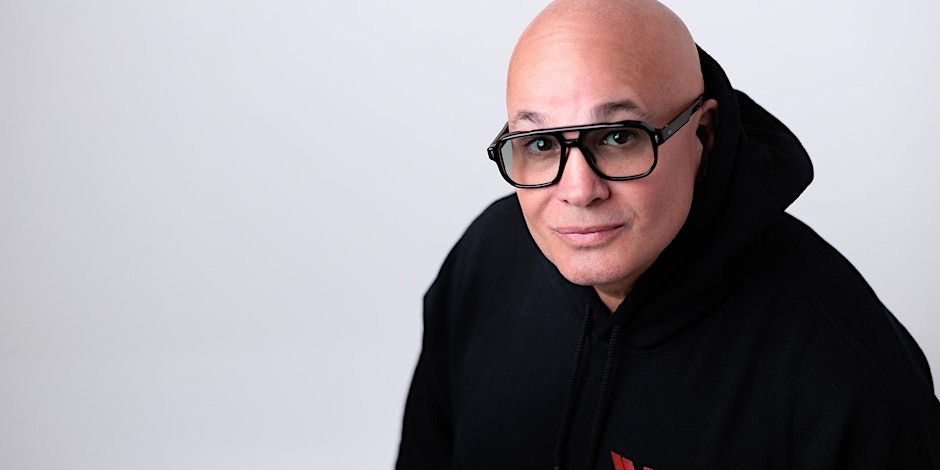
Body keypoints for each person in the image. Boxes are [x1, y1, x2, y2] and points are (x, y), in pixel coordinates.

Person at [397, 0, 940, 468]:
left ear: (704, 132)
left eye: (618, 136)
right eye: (540, 144)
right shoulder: (486, 262)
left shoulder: (846, 377)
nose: (578, 191)